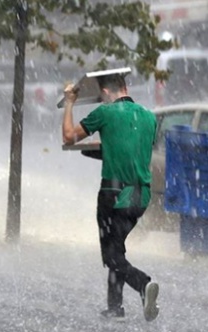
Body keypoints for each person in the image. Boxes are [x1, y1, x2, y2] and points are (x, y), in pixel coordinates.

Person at [61, 73, 159, 322]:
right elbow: (132, 150)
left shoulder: (105, 113)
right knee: (117, 248)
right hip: (141, 196)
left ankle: (142, 283)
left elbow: (69, 136)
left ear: (105, 93)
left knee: (111, 255)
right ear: (125, 87)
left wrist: (70, 102)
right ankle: (115, 307)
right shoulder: (149, 117)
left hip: (114, 194)